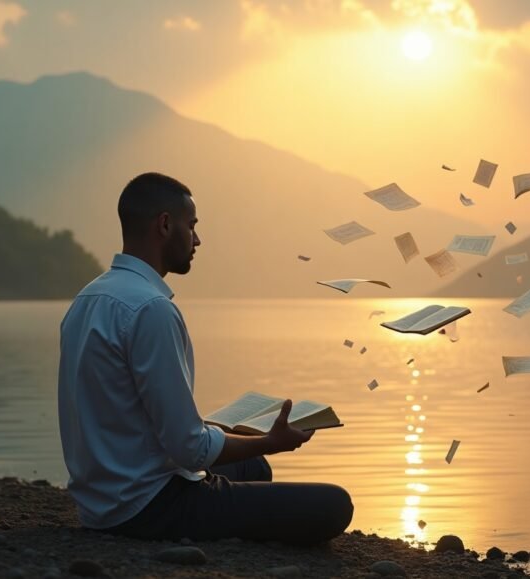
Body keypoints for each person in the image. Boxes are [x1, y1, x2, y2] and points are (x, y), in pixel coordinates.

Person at [57, 172, 353, 544]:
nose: (197, 239)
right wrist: (273, 440)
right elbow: (189, 449)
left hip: (99, 502)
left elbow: (123, 414)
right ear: (165, 225)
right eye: (191, 225)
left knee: (254, 468)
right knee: (335, 504)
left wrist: (222, 432)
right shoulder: (151, 310)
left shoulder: (87, 299)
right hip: (151, 506)